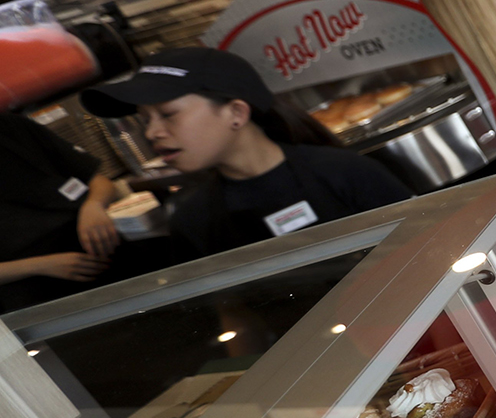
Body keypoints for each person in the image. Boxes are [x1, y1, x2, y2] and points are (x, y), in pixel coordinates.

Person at [83, 49, 412, 255]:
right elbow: (235, 314)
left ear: (236, 113)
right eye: (145, 120)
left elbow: (426, 250)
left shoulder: (345, 173)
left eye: (168, 114)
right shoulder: (192, 218)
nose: (152, 132)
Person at [0, 109, 121, 310]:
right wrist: (42, 265)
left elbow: (98, 181)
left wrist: (94, 205)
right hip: (37, 299)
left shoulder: (12, 128)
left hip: (109, 259)